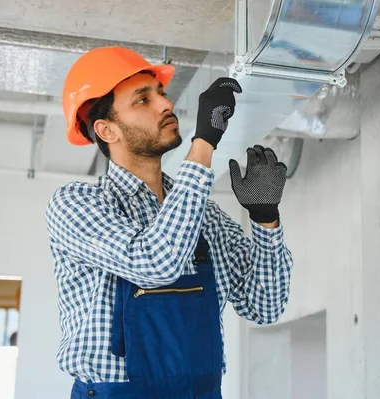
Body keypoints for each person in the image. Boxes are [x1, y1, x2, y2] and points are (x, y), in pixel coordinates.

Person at [45, 46, 294, 399]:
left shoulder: (202, 213)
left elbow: (264, 306)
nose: (166, 105)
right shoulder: (78, 203)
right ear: (106, 129)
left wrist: (265, 220)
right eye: (142, 100)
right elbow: (155, 262)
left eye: (161, 93)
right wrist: (204, 143)